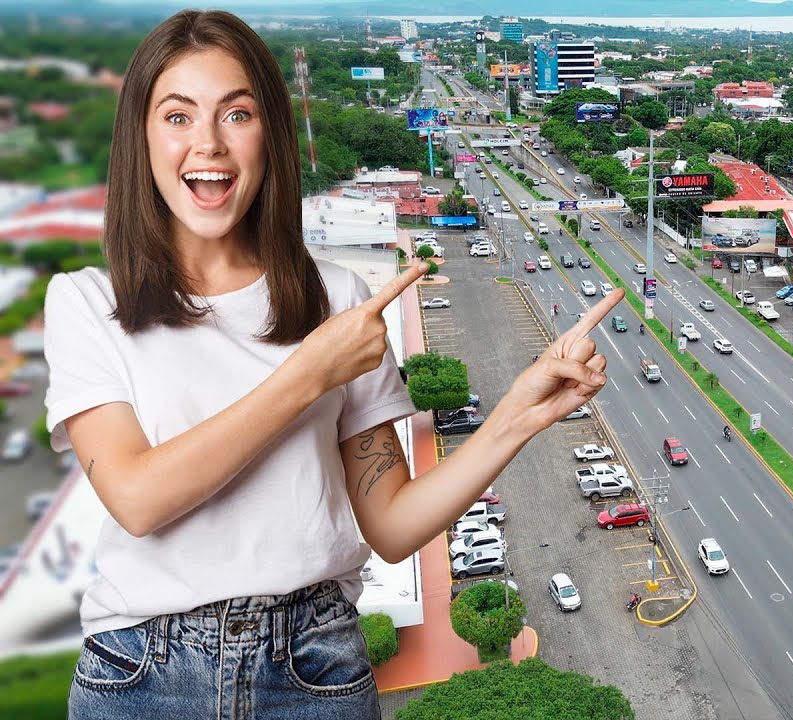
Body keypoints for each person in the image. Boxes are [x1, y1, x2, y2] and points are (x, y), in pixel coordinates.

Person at [43, 11, 625, 720]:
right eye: (177, 116)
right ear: (141, 136)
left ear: (270, 137)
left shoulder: (338, 299)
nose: (208, 144)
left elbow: (392, 524)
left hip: (313, 666)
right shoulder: (86, 302)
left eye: (237, 114)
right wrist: (308, 373)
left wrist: (518, 415)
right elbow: (137, 499)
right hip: (143, 674)